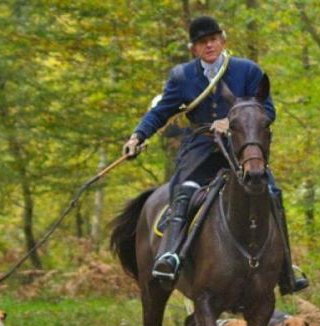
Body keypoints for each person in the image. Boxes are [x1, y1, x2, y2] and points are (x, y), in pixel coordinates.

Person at [122, 15, 308, 295]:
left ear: (222, 40)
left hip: (241, 148)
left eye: (213, 40)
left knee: (272, 192)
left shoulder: (248, 71)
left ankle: (286, 268)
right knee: (183, 191)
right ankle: (169, 257)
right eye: (201, 42)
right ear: (194, 49)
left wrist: (231, 122)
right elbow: (160, 112)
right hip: (200, 147)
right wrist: (138, 135)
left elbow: (267, 110)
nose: (209, 46)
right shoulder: (182, 77)